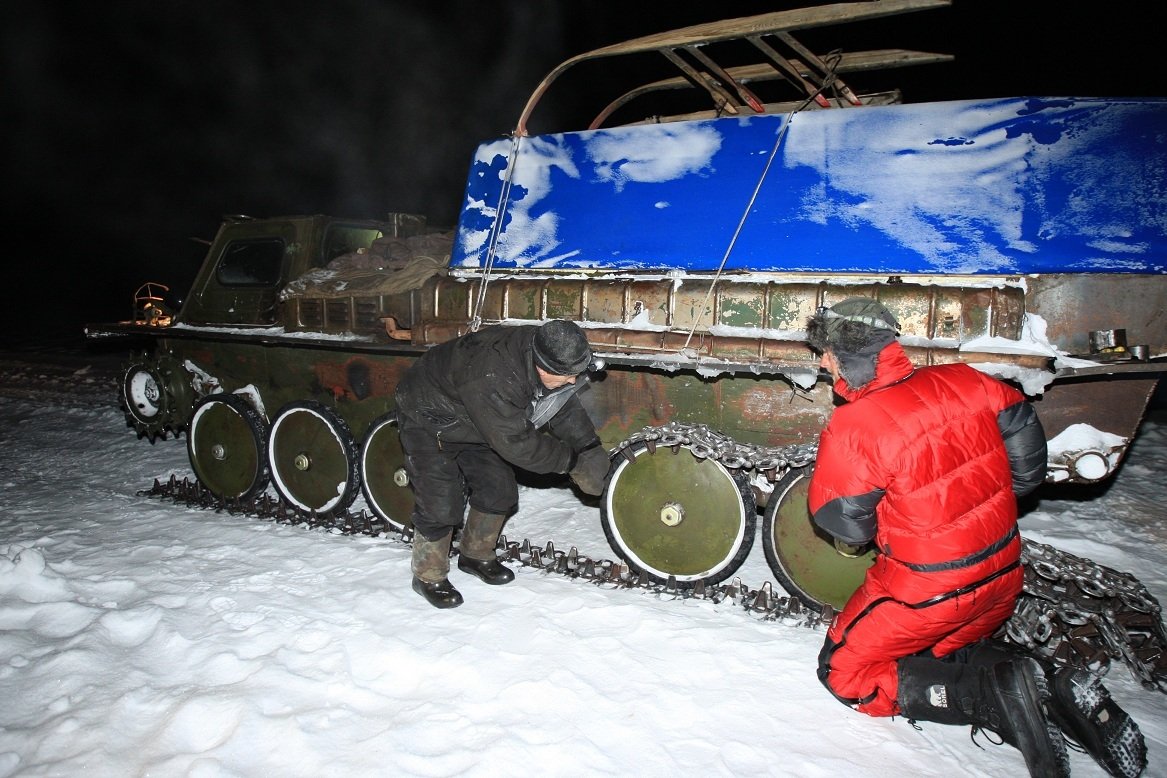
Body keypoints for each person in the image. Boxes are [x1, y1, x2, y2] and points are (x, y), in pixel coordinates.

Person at [805, 297, 1146, 778]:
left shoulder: (856, 423)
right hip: (1003, 578)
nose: (821, 361)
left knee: (845, 674)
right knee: (939, 654)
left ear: (849, 354)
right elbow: (1027, 442)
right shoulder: (966, 380)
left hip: (927, 595)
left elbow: (841, 521)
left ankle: (983, 700)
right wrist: (997, 497)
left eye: (827, 351)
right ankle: (1049, 684)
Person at [394, 319, 609, 609]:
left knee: (499, 492)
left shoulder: (541, 350)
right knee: (441, 504)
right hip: (430, 418)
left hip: (475, 420)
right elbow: (517, 444)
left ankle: (475, 555)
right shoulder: (494, 376)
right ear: (542, 367)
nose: (573, 382)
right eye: (566, 376)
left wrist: (587, 446)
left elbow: (560, 404)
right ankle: (427, 575)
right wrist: (572, 462)